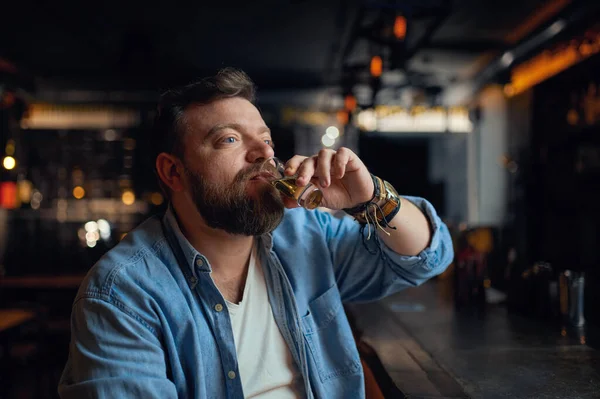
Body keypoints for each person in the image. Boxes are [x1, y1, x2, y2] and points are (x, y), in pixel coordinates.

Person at [58, 68, 454, 399]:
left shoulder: (304, 232)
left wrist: (370, 198)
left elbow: (426, 257)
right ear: (173, 172)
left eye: (265, 140)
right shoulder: (122, 294)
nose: (264, 154)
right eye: (229, 139)